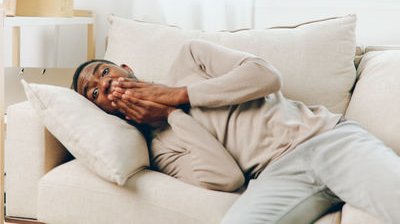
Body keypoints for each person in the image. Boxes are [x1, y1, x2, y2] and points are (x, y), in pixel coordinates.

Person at [72, 39, 400, 224]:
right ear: (102, 109)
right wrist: (172, 115)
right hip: (277, 175)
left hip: (327, 139)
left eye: (104, 72)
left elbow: (266, 76)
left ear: (125, 69)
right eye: (95, 93)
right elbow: (227, 178)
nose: (106, 84)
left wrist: (177, 95)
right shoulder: (159, 150)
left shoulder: (190, 57)